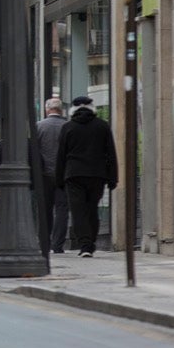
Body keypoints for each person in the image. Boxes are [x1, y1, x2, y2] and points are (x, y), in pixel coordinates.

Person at [56, 95, 117, 257]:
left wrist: (59, 179)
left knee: (78, 211)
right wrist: (113, 177)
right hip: (97, 175)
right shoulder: (102, 126)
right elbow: (111, 153)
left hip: (73, 175)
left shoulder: (67, 127)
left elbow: (61, 155)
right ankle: (91, 243)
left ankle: (85, 245)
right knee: (92, 209)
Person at [35, 98, 70, 254]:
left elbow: (34, 152)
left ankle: (45, 241)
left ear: (47, 110)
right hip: (63, 175)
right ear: (60, 110)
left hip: (44, 175)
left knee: (45, 209)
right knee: (62, 209)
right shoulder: (68, 126)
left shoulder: (39, 127)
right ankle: (58, 244)